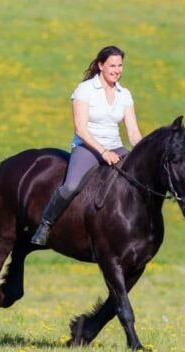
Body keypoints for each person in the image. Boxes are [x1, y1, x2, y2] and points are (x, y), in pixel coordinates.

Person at [31, 45, 143, 246]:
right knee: (70, 186)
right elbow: (81, 129)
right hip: (88, 147)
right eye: (112, 65)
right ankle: (46, 224)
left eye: (120, 65)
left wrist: (143, 152)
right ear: (101, 65)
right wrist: (103, 152)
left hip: (116, 147)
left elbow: (133, 132)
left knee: (137, 181)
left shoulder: (124, 94)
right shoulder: (85, 90)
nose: (117, 70)